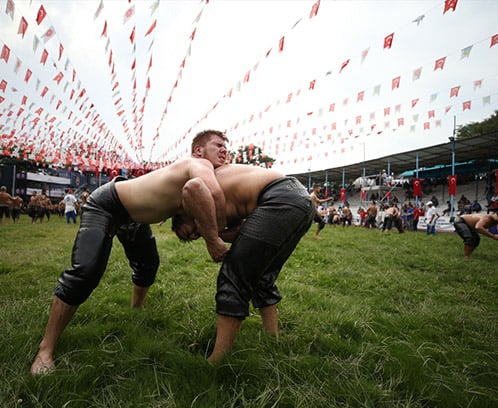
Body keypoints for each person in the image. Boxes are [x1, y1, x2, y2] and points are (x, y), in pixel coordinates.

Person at [30, 140, 229, 375]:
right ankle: (45, 349)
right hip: (106, 205)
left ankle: (136, 309)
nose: (225, 150)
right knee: (86, 272)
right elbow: (212, 191)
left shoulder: (200, 171)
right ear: (198, 150)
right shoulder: (199, 164)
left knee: (148, 265)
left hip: (134, 217)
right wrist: (215, 240)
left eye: (227, 146)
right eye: (218, 145)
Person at [173, 155, 313, 364]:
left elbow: (194, 187)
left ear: (186, 212)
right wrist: (208, 235)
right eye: (190, 238)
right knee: (262, 275)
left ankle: (217, 360)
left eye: (188, 231)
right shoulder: (221, 193)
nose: (193, 235)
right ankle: (271, 338)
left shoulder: (203, 187)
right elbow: (243, 232)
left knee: (233, 277)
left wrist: (211, 238)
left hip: (279, 199)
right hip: (301, 200)